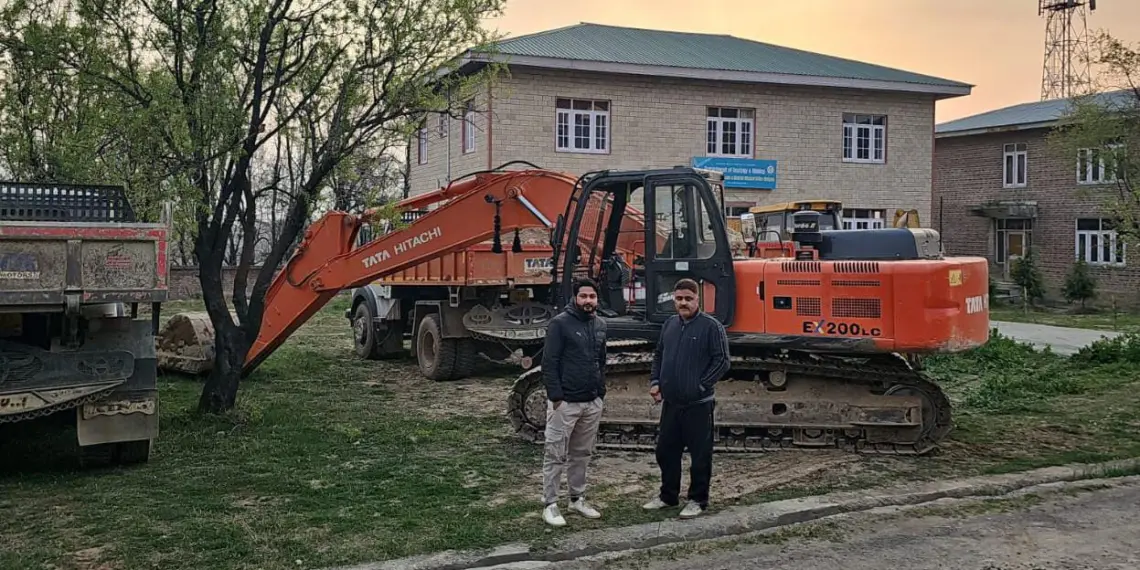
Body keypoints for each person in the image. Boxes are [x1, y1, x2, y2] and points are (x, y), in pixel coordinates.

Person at [642, 277, 730, 519]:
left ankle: (698, 500)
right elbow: (659, 354)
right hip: (671, 404)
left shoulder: (711, 327)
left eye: (688, 299)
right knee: (665, 451)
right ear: (674, 299)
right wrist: (656, 381)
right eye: (679, 298)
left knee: (700, 456)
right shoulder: (670, 324)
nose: (683, 303)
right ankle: (668, 496)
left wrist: (701, 385)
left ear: (697, 299)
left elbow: (722, 361)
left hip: (698, 405)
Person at [539, 277, 608, 527]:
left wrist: (600, 392)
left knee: (582, 453)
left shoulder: (600, 324)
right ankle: (550, 504)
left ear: (596, 299)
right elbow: (550, 362)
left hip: (591, 401)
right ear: (575, 298)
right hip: (565, 402)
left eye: (592, 297)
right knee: (556, 452)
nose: (588, 301)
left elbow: (601, 360)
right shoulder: (560, 324)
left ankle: (577, 498)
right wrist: (556, 397)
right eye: (583, 296)